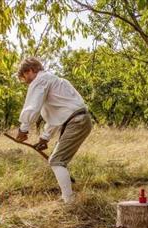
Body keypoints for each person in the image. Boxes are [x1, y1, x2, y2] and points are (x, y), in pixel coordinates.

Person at [15, 57, 92, 204]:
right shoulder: (58, 81)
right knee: (57, 160)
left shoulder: (40, 80)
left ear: (30, 71)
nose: (27, 82)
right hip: (80, 120)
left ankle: (69, 201)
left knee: (56, 161)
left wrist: (23, 129)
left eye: (25, 77)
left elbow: (32, 107)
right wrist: (44, 138)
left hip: (75, 122)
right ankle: (67, 197)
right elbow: (58, 114)